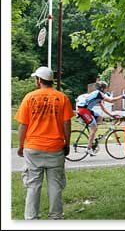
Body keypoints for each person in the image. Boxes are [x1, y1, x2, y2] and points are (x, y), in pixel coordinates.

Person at [14, 66, 75, 220]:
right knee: (55, 186)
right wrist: (66, 143)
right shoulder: (62, 98)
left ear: (39, 80)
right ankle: (55, 217)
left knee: (33, 185)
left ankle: (31, 218)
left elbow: (23, 125)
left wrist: (21, 145)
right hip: (55, 148)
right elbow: (67, 124)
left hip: (33, 148)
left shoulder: (29, 97)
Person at [75, 80, 125, 155]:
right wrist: (122, 96)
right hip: (83, 110)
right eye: (106, 88)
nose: (106, 90)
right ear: (102, 88)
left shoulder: (97, 95)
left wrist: (111, 115)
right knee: (94, 128)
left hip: (86, 110)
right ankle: (89, 148)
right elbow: (111, 100)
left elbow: (103, 108)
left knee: (99, 117)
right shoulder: (99, 94)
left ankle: (92, 136)